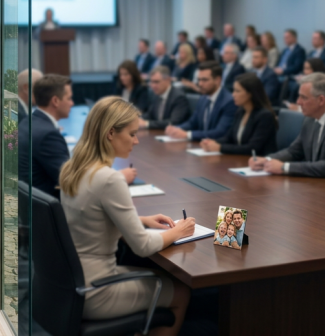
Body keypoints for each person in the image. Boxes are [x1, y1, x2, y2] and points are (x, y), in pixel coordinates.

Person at [59, 97, 194, 335]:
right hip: (97, 290)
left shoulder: (73, 168)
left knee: (161, 277)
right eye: (132, 134)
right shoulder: (110, 179)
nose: (136, 140)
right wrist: (178, 231)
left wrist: (141, 220)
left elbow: (89, 215)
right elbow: (142, 246)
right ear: (111, 133)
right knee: (181, 290)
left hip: (70, 282)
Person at [250, 72, 325, 184]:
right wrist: (266, 160)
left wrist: (284, 167)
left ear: (321, 100)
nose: (298, 102)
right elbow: (293, 151)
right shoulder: (310, 118)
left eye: (304, 97)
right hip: (320, 183)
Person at [199, 73, 278, 156]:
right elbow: (229, 138)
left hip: (260, 161)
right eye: (233, 90)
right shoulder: (240, 111)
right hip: (241, 159)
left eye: (237, 91)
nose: (233, 94)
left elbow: (252, 148)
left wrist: (220, 147)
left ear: (250, 94)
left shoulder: (264, 116)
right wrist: (212, 142)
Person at [166, 61, 238, 141]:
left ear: (218, 80)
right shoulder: (203, 98)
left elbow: (220, 132)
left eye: (204, 80)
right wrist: (176, 129)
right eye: (199, 80)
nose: (200, 84)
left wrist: (188, 134)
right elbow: (192, 123)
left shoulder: (229, 102)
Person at [139, 65, 191, 130]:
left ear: (168, 80)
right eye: (151, 82)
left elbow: (173, 122)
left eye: (156, 82)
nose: (153, 85)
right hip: (158, 132)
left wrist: (147, 124)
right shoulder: (156, 94)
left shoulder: (179, 98)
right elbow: (150, 114)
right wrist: (138, 119)